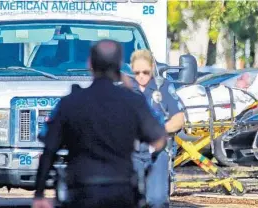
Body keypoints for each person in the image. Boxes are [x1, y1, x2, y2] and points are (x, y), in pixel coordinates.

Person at [32, 40, 168, 208]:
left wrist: (39, 194)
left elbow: (49, 150)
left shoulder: (70, 103)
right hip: (122, 192)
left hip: (81, 192)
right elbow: (159, 139)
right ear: (119, 65)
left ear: (90, 64)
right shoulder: (133, 102)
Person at [125, 49, 185, 208]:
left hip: (157, 152)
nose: (141, 76)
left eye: (145, 72)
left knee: (157, 200)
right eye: (137, 72)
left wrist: (158, 131)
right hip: (131, 151)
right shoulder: (125, 89)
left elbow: (179, 119)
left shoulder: (163, 87)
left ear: (152, 67)